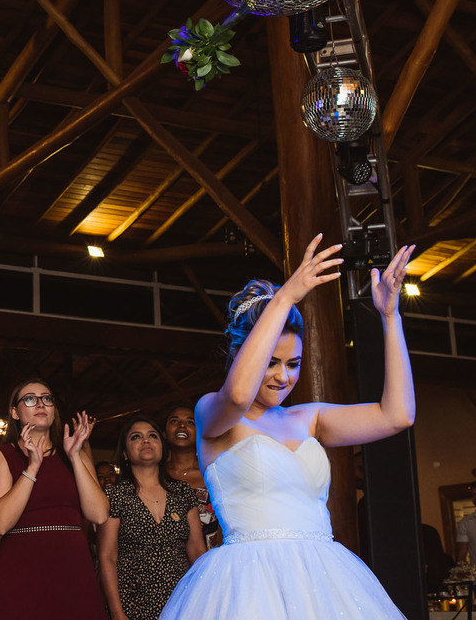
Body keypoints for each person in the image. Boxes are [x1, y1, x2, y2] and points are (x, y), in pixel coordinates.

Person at [159, 235, 416, 619]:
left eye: (293, 364)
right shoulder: (214, 413)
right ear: (242, 354)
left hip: (323, 579)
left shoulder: (309, 418)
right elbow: (238, 395)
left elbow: (398, 415)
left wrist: (390, 318)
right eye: (272, 362)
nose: (283, 377)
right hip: (248, 583)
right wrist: (284, 299)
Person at [0, 380, 108, 620]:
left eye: (47, 398)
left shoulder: (74, 453)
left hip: (72, 566)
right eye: (30, 399)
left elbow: (99, 514)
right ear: (15, 413)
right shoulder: (2, 455)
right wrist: (32, 468)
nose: (41, 404)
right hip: (21, 567)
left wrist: (75, 457)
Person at [99, 416, 205, 620]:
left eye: (152, 436)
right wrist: (117, 612)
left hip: (181, 601)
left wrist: (204, 598)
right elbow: (107, 557)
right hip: (132, 604)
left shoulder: (182, 492)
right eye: (136, 437)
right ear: (125, 453)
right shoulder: (115, 495)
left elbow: (197, 551)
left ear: (163, 449)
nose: (145, 440)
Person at [163, 406, 220, 549]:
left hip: (212, 554)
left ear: (199, 432)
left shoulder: (212, 472)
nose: (182, 426)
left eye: (190, 422)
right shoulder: (156, 474)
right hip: (167, 557)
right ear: (164, 433)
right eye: (174, 421)